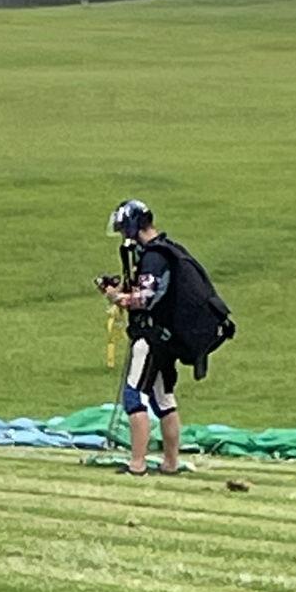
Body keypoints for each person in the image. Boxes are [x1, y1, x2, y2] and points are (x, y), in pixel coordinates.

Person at [98, 199, 184, 477]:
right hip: (167, 338)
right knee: (163, 400)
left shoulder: (153, 257)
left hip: (150, 337)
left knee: (134, 396)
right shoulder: (165, 251)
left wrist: (117, 297)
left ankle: (138, 463)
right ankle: (170, 463)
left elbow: (145, 298)